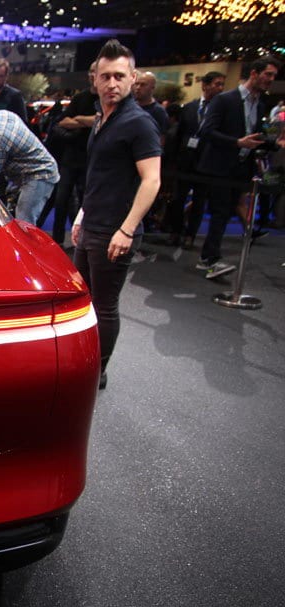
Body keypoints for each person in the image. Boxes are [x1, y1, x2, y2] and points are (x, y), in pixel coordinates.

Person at [70, 40, 161, 390]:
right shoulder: (102, 119)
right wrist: (82, 214)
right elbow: (99, 174)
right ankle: (85, 361)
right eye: (106, 76)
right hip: (92, 224)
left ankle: (99, 371)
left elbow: (152, 180)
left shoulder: (139, 123)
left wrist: (127, 229)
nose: (112, 83)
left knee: (104, 306)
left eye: (119, 76)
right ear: (95, 79)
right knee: (84, 301)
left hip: (115, 230)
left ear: (132, 78)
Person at [196, 55, 281, 279]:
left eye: (274, 76)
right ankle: (210, 259)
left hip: (241, 168)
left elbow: (254, 135)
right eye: (268, 74)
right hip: (219, 167)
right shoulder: (225, 100)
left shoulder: (259, 104)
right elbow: (207, 131)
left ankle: (209, 257)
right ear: (254, 73)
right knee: (220, 212)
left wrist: (273, 144)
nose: (271, 79)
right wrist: (237, 143)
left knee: (227, 212)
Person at [164, 70, 226, 248]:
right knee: (178, 199)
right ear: (205, 85)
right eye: (217, 84)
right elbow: (179, 134)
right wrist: (174, 160)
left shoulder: (221, 110)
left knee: (199, 202)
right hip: (185, 162)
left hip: (206, 163)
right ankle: (175, 231)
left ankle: (190, 235)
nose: (220, 88)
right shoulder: (190, 108)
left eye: (222, 85)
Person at [51, 63, 98, 245]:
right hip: (70, 157)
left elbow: (101, 120)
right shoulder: (80, 98)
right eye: (91, 71)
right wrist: (88, 121)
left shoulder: (105, 100)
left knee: (86, 202)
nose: (93, 75)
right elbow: (63, 122)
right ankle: (57, 240)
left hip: (91, 160)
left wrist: (79, 120)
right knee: (61, 200)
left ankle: (83, 240)